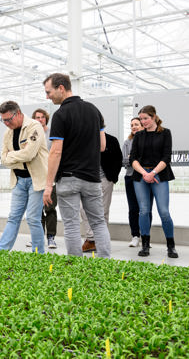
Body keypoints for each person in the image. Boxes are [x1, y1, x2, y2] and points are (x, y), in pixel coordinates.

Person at [42, 73, 111, 258]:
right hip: (92, 177)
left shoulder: (61, 115)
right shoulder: (94, 110)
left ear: (61, 88)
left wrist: (48, 185)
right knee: (98, 222)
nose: (47, 96)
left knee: (72, 225)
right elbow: (102, 146)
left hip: (69, 178)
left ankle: (75, 270)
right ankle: (107, 264)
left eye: (49, 92)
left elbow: (56, 151)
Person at [0, 101, 48, 253]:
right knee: (13, 217)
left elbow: (30, 153)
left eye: (8, 119)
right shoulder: (8, 133)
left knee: (33, 218)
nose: (6, 123)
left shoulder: (34, 127)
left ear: (18, 113)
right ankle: (2, 251)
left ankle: (39, 254)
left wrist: (11, 155)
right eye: (3, 120)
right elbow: (3, 159)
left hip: (35, 180)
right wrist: (17, 156)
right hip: (18, 180)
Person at [130, 105, 178, 258]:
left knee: (164, 212)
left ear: (154, 117)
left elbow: (166, 158)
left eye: (146, 118)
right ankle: (145, 245)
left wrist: (153, 173)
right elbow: (133, 159)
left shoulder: (165, 133)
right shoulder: (138, 136)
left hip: (159, 175)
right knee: (144, 211)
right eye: (141, 119)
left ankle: (171, 246)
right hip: (141, 175)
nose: (143, 122)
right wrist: (145, 173)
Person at [80, 132, 122, 252]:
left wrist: (112, 178)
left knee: (102, 211)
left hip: (104, 180)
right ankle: (90, 239)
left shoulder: (111, 140)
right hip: (86, 180)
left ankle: (101, 240)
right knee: (83, 210)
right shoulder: (82, 138)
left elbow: (118, 159)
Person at [122, 117, 153, 247]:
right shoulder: (127, 142)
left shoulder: (150, 140)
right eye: (132, 125)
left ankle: (146, 236)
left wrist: (133, 159)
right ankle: (135, 236)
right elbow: (124, 162)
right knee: (133, 208)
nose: (134, 127)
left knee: (146, 209)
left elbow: (151, 159)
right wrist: (132, 159)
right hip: (130, 177)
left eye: (136, 124)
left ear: (143, 125)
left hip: (147, 178)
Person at [31, 108, 57, 249]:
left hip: (50, 175)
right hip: (36, 176)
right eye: (37, 117)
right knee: (36, 209)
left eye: (42, 117)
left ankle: (51, 237)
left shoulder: (52, 133)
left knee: (50, 207)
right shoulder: (32, 133)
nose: (39, 119)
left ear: (46, 118)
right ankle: (38, 237)